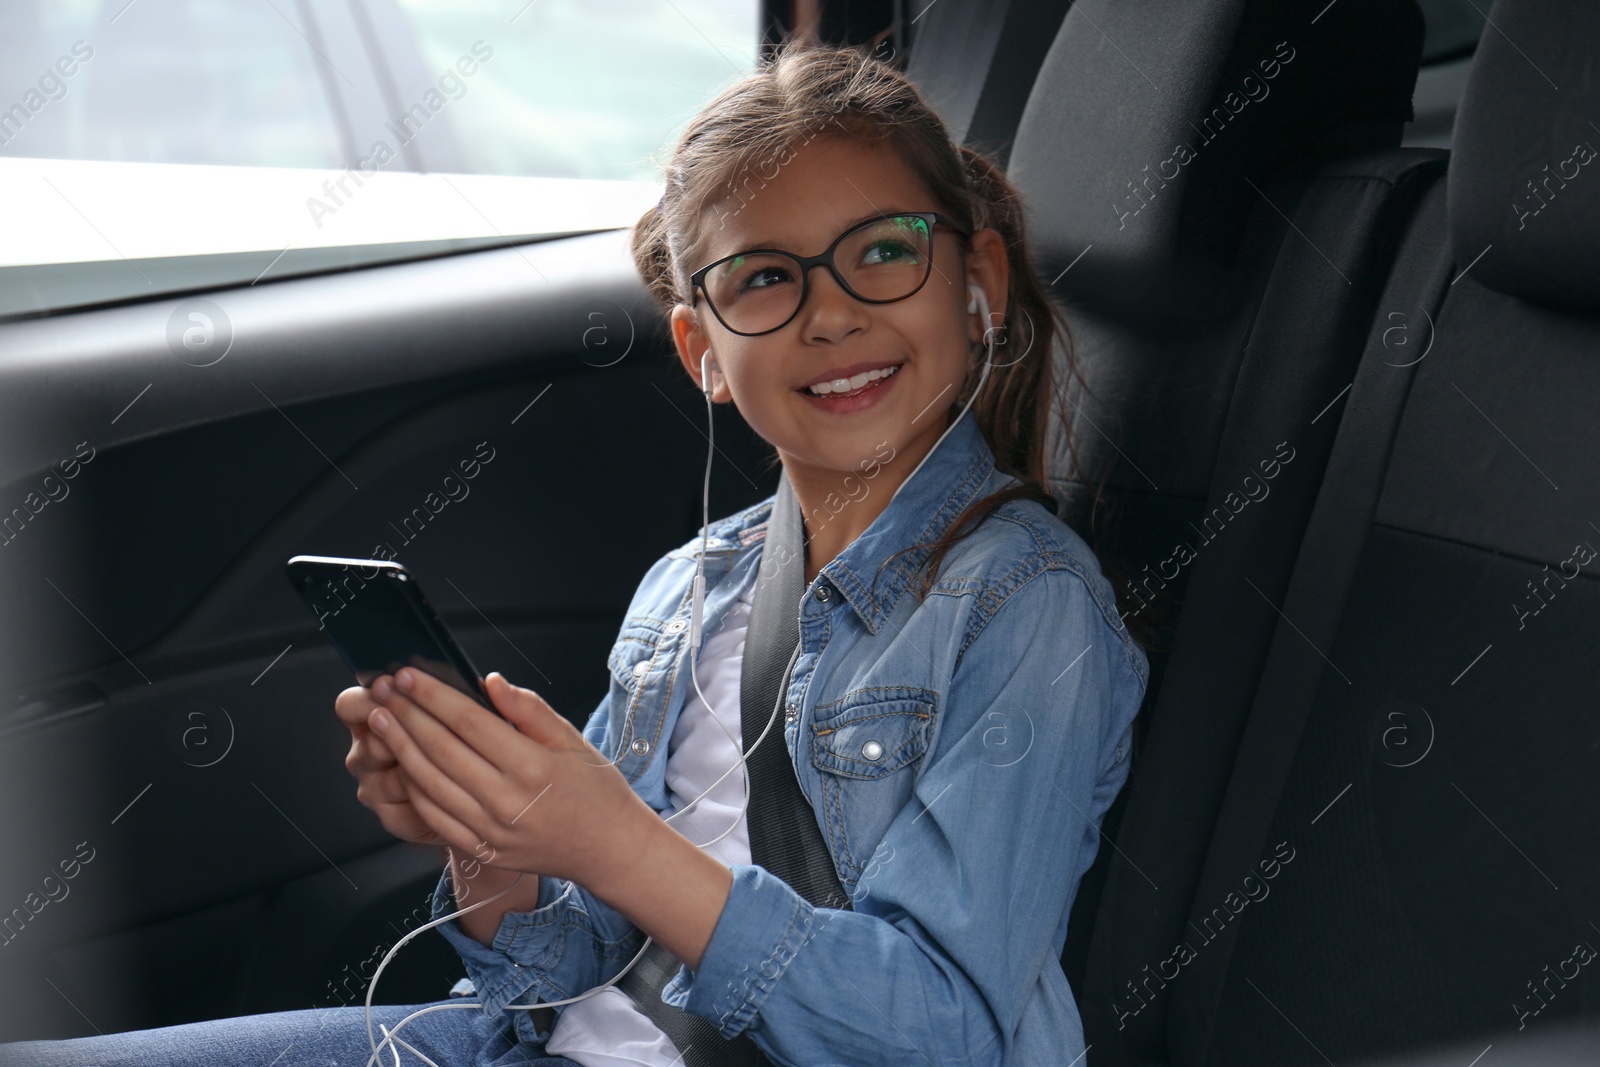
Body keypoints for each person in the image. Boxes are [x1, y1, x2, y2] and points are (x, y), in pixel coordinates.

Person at [0, 38, 1148, 1067]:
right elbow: (559, 969)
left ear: (978, 280)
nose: (830, 313)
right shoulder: (692, 587)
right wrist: (492, 838)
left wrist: (617, 840)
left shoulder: (1024, 605)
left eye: (883, 253)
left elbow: (943, 1034)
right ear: (701, 348)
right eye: (764, 278)